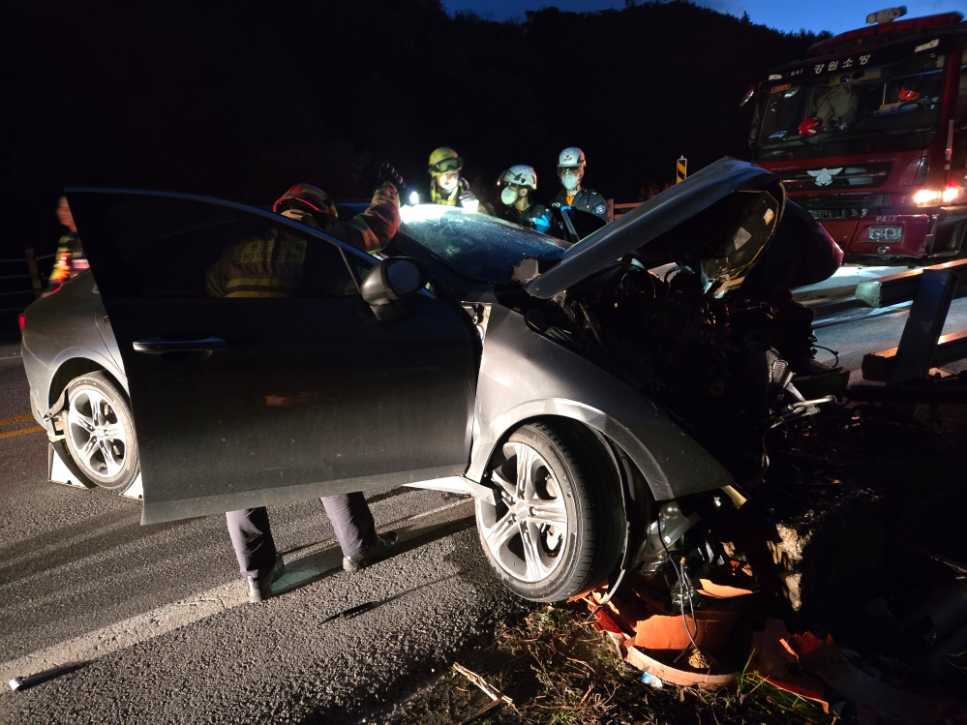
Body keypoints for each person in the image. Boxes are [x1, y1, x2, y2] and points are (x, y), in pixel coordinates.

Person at [207, 181, 401, 603]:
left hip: (244, 380)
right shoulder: (321, 240)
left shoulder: (239, 252)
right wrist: (386, 191)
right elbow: (381, 225)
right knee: (326, 456)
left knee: (244, 475)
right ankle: (360, 547)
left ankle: (258, 575)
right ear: (322, 214)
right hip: (299, 372)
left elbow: (213, 295)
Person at [551, 147, 609, 222]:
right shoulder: (556, 201)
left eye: (573, 170)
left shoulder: (594, 200)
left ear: (581, 170)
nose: (567, 175)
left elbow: (600, 227)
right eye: (564, 171)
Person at [48, 196, 89, 290]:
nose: (61, 212)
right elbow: (61, 268)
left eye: (67, 210)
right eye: (60, 208)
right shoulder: (65, 240)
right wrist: (52, 290)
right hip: (78, 291)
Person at [495, 165, 550, 233]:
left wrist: (543, 233)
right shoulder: (504, 211)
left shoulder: (540, 213)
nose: (506, 190)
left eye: (511, 186)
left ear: (523, 191)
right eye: (506, 185)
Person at [426, 146, 482, 212]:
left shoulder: (471, 190)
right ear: (434, 174)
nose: (450, 178)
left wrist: (477, 209)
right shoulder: (424, 191)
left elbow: (488, 214)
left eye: (454, 174)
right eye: (446, 174)